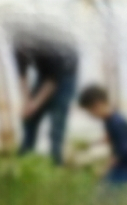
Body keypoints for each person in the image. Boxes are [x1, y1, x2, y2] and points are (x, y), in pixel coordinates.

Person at [9, 22, 78, 165]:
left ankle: (55, 163)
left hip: (65, 75)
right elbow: (22, 76)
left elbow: (52, 82)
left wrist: (34, 105)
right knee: (29, 119)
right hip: (45, 75)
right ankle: (24, 157)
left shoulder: (49, 47)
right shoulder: (18, 46)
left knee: (56, 123)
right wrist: (27, 103)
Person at [78, 84, 127, 185]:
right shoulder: (108, 118)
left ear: (97, 105)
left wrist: (104, 169)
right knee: (106, 183)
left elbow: (122, 151)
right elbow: (110, 136)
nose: (91, 116)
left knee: (112, 187)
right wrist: (91, 144)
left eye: (90, 112)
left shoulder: (117, 123)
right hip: (122, 158)